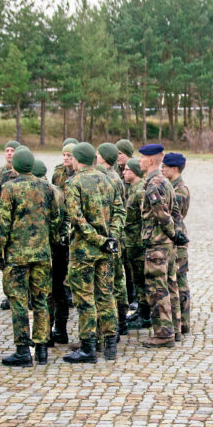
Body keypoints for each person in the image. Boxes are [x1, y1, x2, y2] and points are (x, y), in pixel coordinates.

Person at [0, 148, 60, 367]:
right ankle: (41, 348)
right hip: (41, 253)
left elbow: (2, 225)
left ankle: (23, 349)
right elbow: (55, 220)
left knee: (19, 302)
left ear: (15, 167)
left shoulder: (9, 188)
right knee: (41, 300)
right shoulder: (47, 188)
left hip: (17, 256)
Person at [63, 142, 118, 363]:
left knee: (85, 298)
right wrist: (110, 238)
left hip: (84, 252)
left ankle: (88, 348)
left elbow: (77, 219)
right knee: (106, 296)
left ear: (77, 159)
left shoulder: (73, 183)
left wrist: (99, 240)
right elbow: (119, 210)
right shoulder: (107, 179)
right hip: (106, 249)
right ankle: (111, 344)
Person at [138, 144, 181, 348]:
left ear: (151, 161)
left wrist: (171, 233)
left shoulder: (154, 184)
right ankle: (176, 329)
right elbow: (176, 212)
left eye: (142, 158)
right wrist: (175, 236)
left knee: (157, 289)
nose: (139, 161)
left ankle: (164, 334)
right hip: (166, 244)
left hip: (157, 243)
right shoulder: (165, 181)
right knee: (170, 285)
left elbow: (162, 214)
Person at [95, 142, 129, 337]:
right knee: (117, 278)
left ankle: (113, 325)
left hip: (111, 235)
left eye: (99, 154)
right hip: (115, 235)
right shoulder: (115, 177)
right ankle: (120, 321)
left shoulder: (109, 178)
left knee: (112, 281)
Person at [48, 140, 77, 343]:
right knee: (56, 285)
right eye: (64, 155)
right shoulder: (58, 173)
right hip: (60, 224)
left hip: (74, 222)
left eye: (70, 155)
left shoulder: (80, 174)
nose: (66, 159)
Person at [164, 152, 191, 337]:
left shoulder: (179, 190)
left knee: (180, 282)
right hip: (176, 238)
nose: (162, 169)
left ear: (174, 169)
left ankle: (184, 323)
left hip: (178, 241)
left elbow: (175, 216)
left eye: (165, 166)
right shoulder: (172, 187)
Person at [122, 157, 149, 328]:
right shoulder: (133, 189)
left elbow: (144, 217)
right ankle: (140, 310)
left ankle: (145, 316)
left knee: (141, 279)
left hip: (138, 242)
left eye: (127, 170)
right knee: (136, 278)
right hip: (131, 242)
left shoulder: (140, 191)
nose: (124, 172)